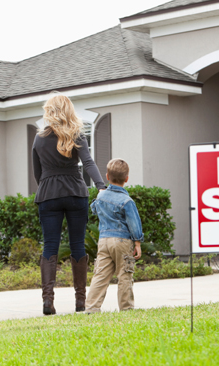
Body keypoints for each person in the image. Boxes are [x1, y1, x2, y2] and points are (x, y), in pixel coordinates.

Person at [32, 93, 106, 315]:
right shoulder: (77, 135)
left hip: (48, 194)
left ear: (49, 111)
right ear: (69, 110)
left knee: (50, 245)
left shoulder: (39, 138)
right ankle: (80, 302)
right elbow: (88, 163)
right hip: (75, 192)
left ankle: (48, 301)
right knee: (78, 245)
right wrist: (100, 186)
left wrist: (48, 186)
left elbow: (38, 173)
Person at [84, 158, 143, 313]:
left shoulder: (101, 196)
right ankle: (126, 308)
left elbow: (94, 209)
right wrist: (137, 243)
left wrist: (100, 195)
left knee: (100, 274)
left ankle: (91, 307)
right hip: (122, 241)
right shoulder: (127, 201)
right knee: (124, 274)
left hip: (103, 241)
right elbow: (134, 224)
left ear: (107, 177)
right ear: (127, 179)